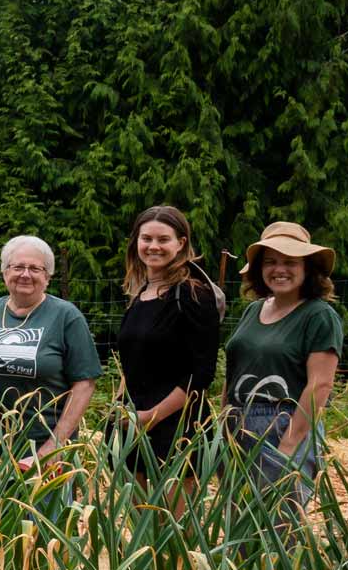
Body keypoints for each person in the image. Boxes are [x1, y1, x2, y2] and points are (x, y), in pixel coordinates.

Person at [223, 221, 342, 527]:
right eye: (271, 262)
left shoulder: (319, 316)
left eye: (290, 262)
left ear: (307, 268)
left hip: (283, 425)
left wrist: (288, 445)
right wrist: (224, 423)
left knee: (277, 530)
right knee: (239, 526)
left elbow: (320, 385)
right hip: (238, 427)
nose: (279, 269)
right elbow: (234, 369)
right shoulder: (254, 310)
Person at [112, 206, 221, 501]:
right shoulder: (140, 293)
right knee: (139, 533)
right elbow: (132, 362)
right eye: (146, 238)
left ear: (181, 243)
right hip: (134, 424)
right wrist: (120, 406)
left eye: (163, 239)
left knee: (171, 536)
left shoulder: (193, 294)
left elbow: (201, 373)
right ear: (136, 242)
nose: (153, 246)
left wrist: (151, 417)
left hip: (177, 425)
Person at [0, 236, 98, 472]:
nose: (25, 274)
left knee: (47, 510)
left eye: (35, 268)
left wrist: (53, 447)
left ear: (47, 277)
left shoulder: (66, 316)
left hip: (43, 451)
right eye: (17, 267)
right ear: (4, 271)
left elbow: (84, 384)